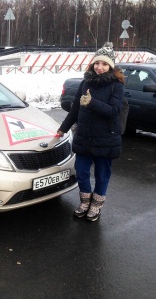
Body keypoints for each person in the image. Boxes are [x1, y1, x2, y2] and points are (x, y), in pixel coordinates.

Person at [57, 42, 125, 221]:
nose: (99, 67)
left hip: (106, 138)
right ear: (92, 64)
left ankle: (96, 205)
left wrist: (92, 103)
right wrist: (63, 128)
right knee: (81, 172)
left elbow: (114, 111)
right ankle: (85, 202)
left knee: (102, 174)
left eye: (104, 64)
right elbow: (74, 110)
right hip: (85, 137)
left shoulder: (116, 85)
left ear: (110, 66)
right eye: (97, 63)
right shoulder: (85, 82)